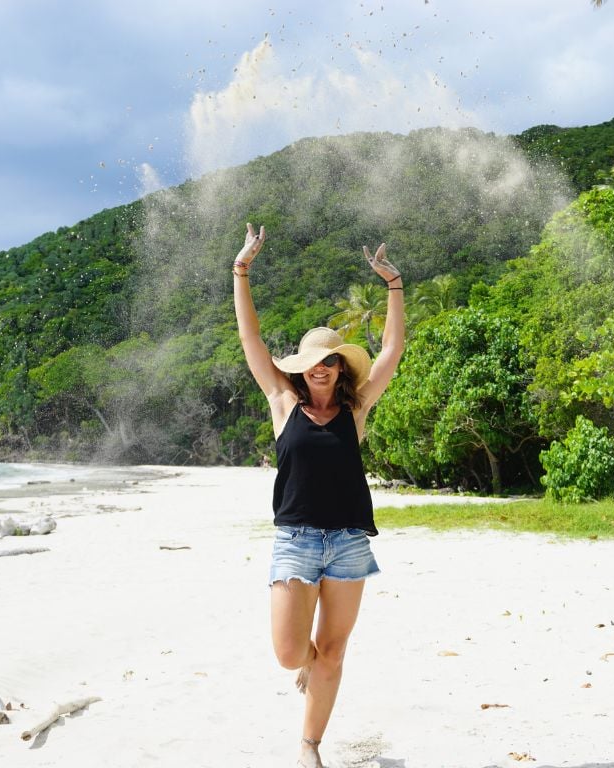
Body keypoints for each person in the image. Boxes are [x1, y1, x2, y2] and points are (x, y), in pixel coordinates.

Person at [232, 222, 405, 768]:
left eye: (331, 361)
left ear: (340, 367)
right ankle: (310, 674)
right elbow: (251, 341)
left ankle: (310, 747)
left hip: (349, 542)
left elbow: (393, 352)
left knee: (331, 652)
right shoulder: (283, 404)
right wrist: (241, 271)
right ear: (301, 371)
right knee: (291, 655)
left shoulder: (356, 411)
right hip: (297, 541)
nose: (323, 369)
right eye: (314, 363)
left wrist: (394, 286)